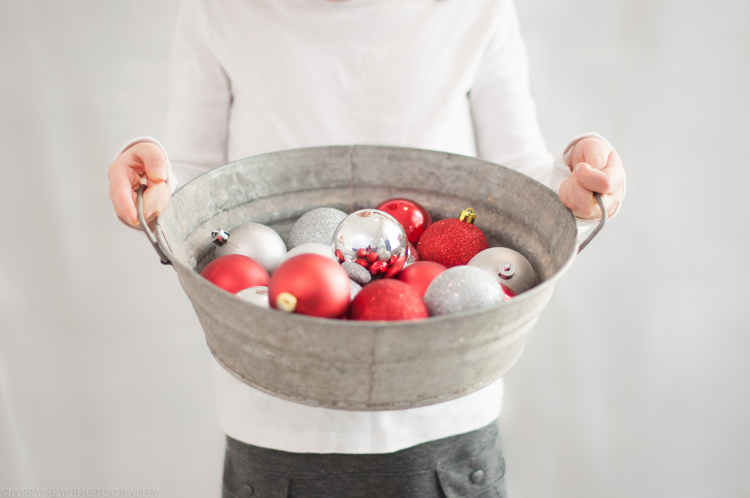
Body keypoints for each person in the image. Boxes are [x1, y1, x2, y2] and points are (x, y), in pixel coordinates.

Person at [108, 0, 625, 496]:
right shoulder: (218, 9)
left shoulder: (475, 7)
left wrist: (570, 190)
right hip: (279, 421)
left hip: (443, 415)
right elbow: (197, 189)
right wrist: (155, 181)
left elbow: (515, 181)